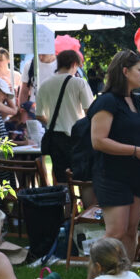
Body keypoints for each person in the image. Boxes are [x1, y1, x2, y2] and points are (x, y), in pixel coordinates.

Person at [88, 50, 140, 260]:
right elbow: (98, 141)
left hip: (138, 174)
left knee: (130, 232)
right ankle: (94, 276)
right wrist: (136, 151)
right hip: (112, 175)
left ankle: (125, 275)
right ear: (125, 71)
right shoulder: (107, 101)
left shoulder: (138, 101)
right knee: (116, 233)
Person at [35, 49, 93, 183]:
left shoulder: (45, 84)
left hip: (54, 138)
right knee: (82, 178)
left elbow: (38, 115)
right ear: (74, 64)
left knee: (60, 179)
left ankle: (64, 197)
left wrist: (53, 122)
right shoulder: (79, 83)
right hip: (75, 137)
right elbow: (90, 111)